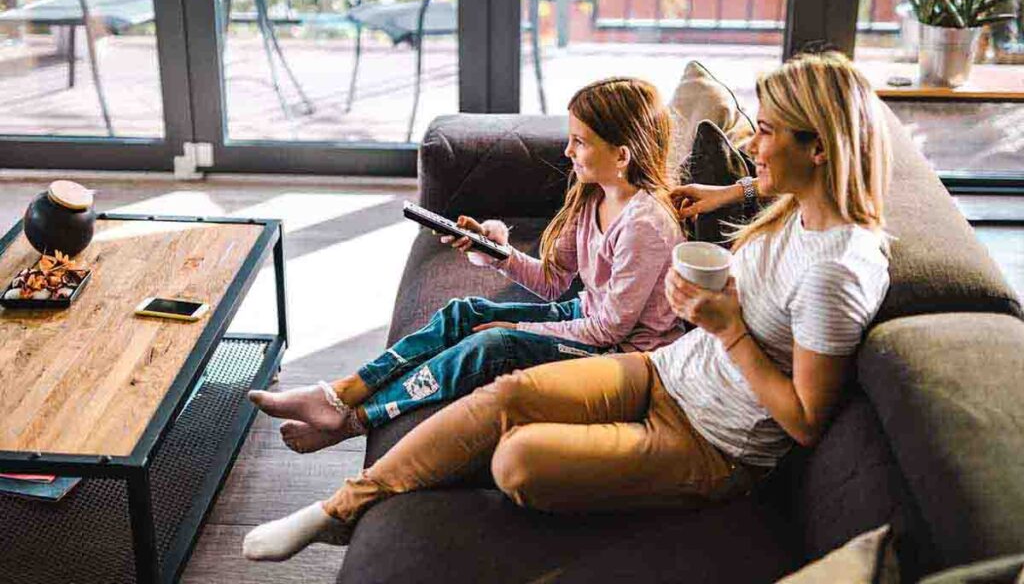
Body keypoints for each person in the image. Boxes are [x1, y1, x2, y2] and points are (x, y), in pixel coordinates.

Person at [242, 50, 892, 563]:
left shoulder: (837, 272)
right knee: (506, 393)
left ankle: (360, 419)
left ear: (820, 147)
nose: (754, 143)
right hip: (666, 371)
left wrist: (727, 330)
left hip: (712, 442)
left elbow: (806, 422)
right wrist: (728, 194)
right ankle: (340, 507)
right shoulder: (798, 204)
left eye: (768, 132)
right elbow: (566, 278)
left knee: (515, 459)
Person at [246, 76, 685, 459]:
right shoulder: (593, 194)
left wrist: (518, 333)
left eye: (581, 141)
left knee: (492, 344)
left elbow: (609, 332)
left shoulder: (645, 226)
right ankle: (340, 395)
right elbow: (554, 283)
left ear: (622, 155)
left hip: (627, 356)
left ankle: (356, 419)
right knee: (465, 313)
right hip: (591, 319)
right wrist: (498, 252)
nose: (568, 150)